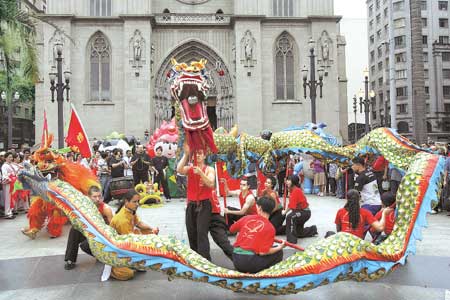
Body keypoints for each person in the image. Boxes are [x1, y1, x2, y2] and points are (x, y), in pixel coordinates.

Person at [177, 143, 215, 260]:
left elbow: (211, 183)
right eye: (195, 154)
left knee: (201, 233)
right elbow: (179, 169)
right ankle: (195, 259)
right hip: (191, 204)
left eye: (200, 154)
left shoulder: (209, 169)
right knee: (191, 232)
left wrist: (201, 173)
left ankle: (205, 260)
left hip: (204, 204)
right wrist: (186, 154)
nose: (197, 156)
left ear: (204, 156)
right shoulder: (190, 168)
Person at [110, 190, 159, 280]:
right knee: (128, 274)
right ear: (126, 202)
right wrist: (148, 238)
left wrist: (152, 230)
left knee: (149, 232)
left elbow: (139, 223)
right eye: (134, 202)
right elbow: (129, 241)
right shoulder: (122, 219)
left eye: (138, 202)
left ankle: (134, 262)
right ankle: (114, 269)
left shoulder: (130, 210)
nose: (137, 204)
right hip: (119, 249)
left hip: (127, 242)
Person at [230, 196, 285, 273]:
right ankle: (265, 274)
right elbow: (263, 253)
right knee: (278, 252)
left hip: (236, 260)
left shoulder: (247, 218)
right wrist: (280, 247)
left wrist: (242, 229)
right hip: (250, 262)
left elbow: (232, 229)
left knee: (260, 248)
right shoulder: (270, 228)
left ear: (259, 208)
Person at [64, 186, 113, 270]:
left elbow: (113, 228)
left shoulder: (106, 208)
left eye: (99, 196)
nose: (97, 199)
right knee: (74, 230)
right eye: (94, 196)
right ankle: (70, 260)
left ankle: (103, 255)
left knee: (85, 245)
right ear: (89, 197)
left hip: (103, 236)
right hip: (91, 231)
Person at [283, 175, 317, 244]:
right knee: (299, 233)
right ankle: (312, 230)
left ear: (293, 182)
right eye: (287, 180)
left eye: (289, 180)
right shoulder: (292, 190)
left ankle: (291, 239)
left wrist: (284, 212)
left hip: (304, 212)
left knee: (290, 217)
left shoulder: (296, 191)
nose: (287, 182)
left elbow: (291, 206)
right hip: (298, 211)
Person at [209, 190, 233, 260]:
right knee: (198, 240)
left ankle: (239, 260)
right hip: (208, 213)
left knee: (223, 242)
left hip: (213, 215)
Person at [1, 152, 18, 219]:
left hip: (12, 182)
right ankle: (7, 213)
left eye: (11, 157)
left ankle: (10, 211)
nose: (11, 158)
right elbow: (4, 175)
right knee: (7, 198)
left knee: (11, 197)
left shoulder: (11, 165)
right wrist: (9, 177)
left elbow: (15, 172)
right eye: (9, 157)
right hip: (8, 183)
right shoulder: (4, 166)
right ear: (5, 158)